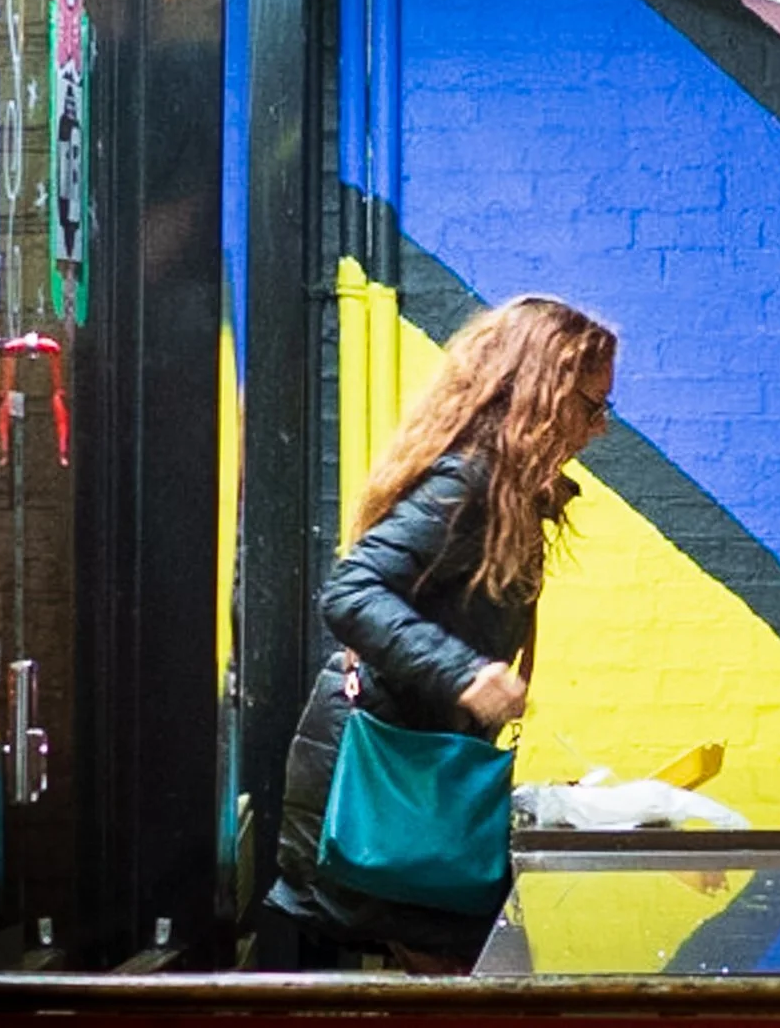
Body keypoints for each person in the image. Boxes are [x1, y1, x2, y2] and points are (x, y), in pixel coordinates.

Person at [262, 294, 617, 972]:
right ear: (536, 393)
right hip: (377, 785)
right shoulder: (468, 482)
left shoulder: (502, 487)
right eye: (589, 405)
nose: (597, 429)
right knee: (490, 971)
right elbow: (350, 589)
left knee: (483, 966)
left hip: (403, 778)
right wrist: (464, 673)